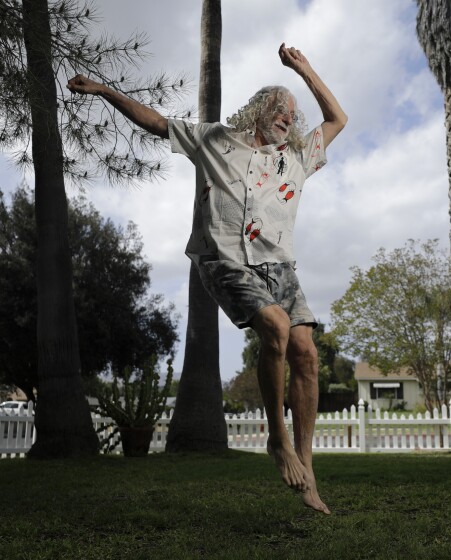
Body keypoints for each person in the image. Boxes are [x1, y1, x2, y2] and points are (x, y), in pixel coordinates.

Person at [68, 43, 346, 514]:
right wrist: (103, 90)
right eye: (278, 108)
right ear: (259, 109)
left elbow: (337, 119)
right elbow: (156, 122)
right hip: (225, 260)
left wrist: (304, 70)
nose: (286, 116)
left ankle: (307, 462)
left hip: (281, 268)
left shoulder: (296, 157)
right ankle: (277, 442)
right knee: (276, 328)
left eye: (292, 112)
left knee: (307, 354)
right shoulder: (216, 140)